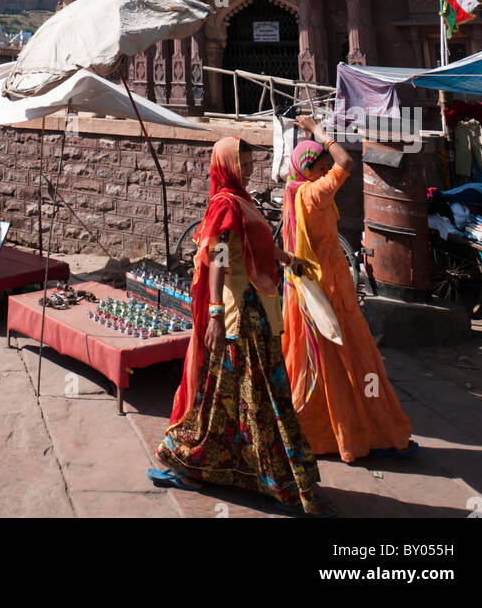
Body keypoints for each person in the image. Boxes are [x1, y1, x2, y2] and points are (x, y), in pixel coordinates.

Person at [147, 137, 330, 515]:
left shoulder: (241, 200)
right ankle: (279, 482)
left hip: (258, 312)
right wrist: (214, 313)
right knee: (253, 397)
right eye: (241, 165)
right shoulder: (225, 206)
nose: (247, 171)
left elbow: (255, 245)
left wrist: (286, 258)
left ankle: (199, 462)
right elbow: (218, 258)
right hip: (237, 317)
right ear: (226, 166)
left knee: (232, 397)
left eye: (249, 164)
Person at [281, 117, 414, 463]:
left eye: (325, 168)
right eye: (321, 167)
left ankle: (318, 432)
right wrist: (319, 133)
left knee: (320, 367)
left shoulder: (295, 192)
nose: (328, 172)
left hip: (309, 292)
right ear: (308, 171)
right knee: (355, 362)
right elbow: (347, 163)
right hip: (329, 292)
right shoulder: (313, 195)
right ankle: (368, 430)